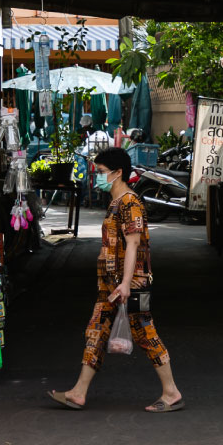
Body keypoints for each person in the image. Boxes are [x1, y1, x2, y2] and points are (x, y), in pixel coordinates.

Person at [48, 146, 184, 413]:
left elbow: (133, 245)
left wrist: (125, 282)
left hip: (130, 286)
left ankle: (172, 392)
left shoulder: (130, 203)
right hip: (110, 285)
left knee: (146, 334)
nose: (96, 177)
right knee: (95, 333)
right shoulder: (115, 202)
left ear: (118, 172)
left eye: (101, 172)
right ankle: (78, 392)